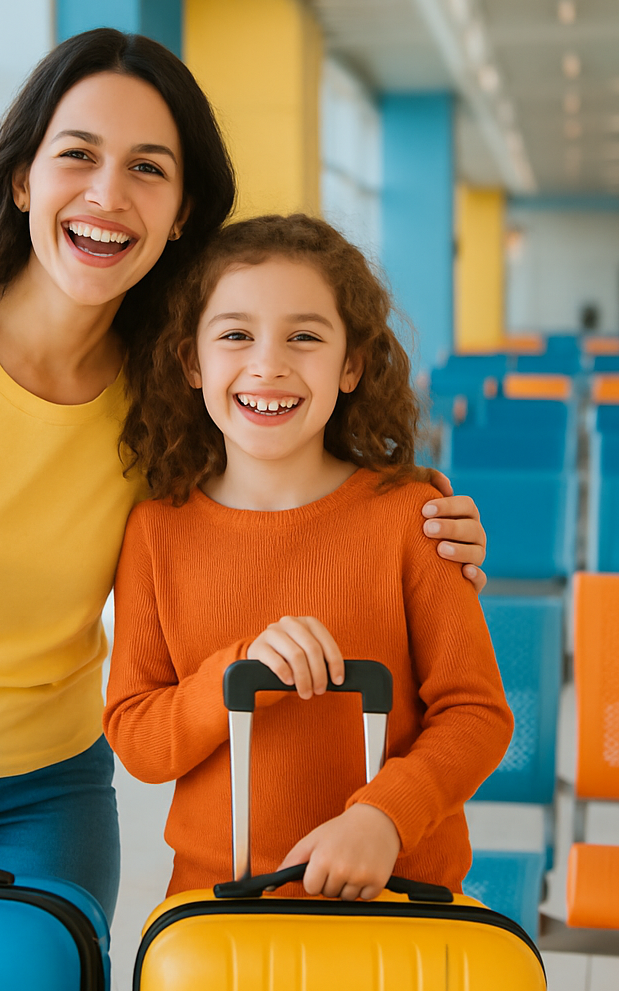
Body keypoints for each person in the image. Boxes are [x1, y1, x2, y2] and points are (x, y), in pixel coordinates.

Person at [0, 30, 488, 923]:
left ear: (180, 212)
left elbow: (297, 483)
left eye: (147, 167)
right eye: (78, 155)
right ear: (23, 179)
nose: (107, 193)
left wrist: (427, 516)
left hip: (41, 785)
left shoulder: (172, 387)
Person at [104, 214, 513, 901]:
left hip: (401, 896)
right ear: (192, 362)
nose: (268, 364)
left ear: (351, 364)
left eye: (305, 337)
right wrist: (233, 674)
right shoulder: (153, 531)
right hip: (219, 906)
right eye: (236, 335)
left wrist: (383, 818)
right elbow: (138, 738)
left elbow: (476, 715)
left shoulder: (414, 517)